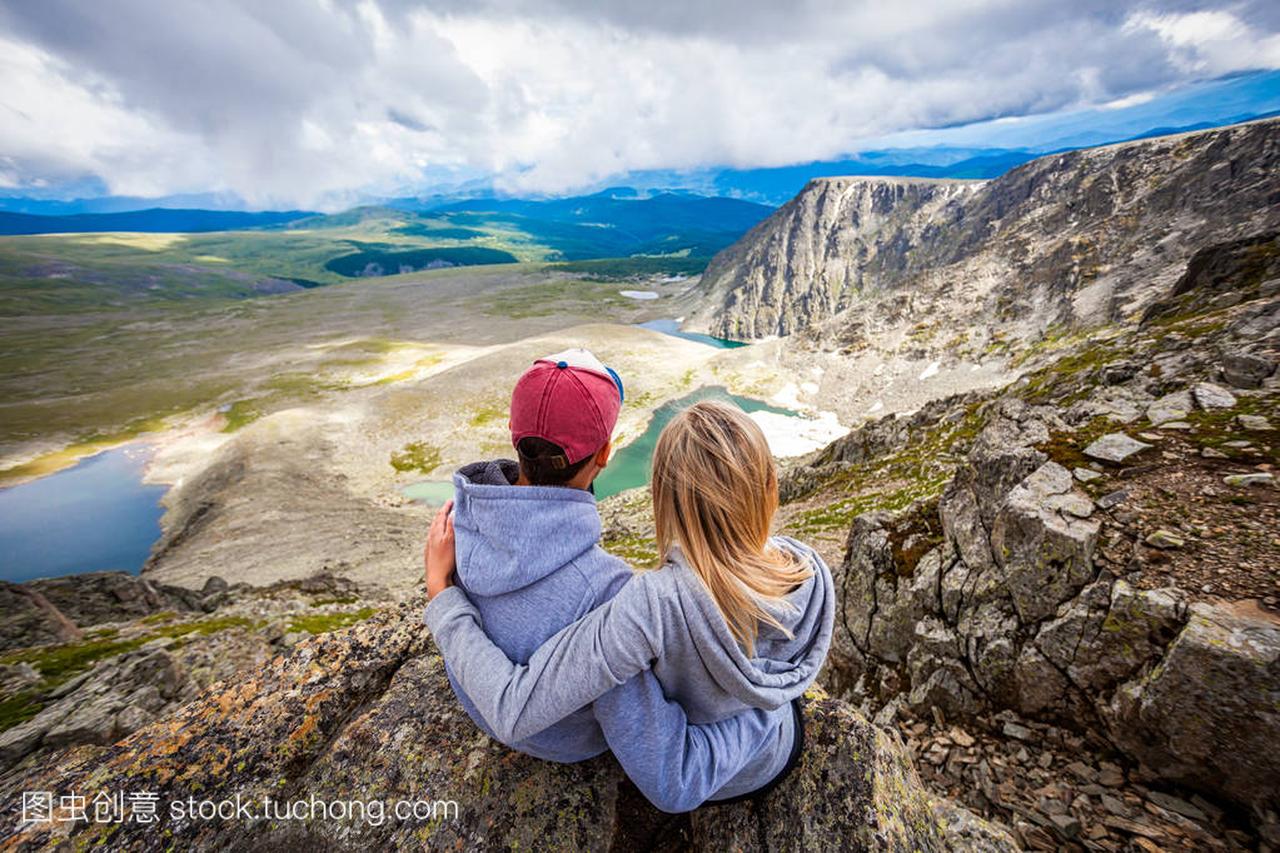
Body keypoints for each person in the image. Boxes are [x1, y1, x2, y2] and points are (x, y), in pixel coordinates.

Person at [425, 397, 835, 809]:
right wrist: (778, 702)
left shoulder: (646, 607)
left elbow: (514, 707)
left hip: (730, 774)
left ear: (661, 495)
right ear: (770, 488)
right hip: (774, 749)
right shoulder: (808, 569)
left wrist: (442, 594)